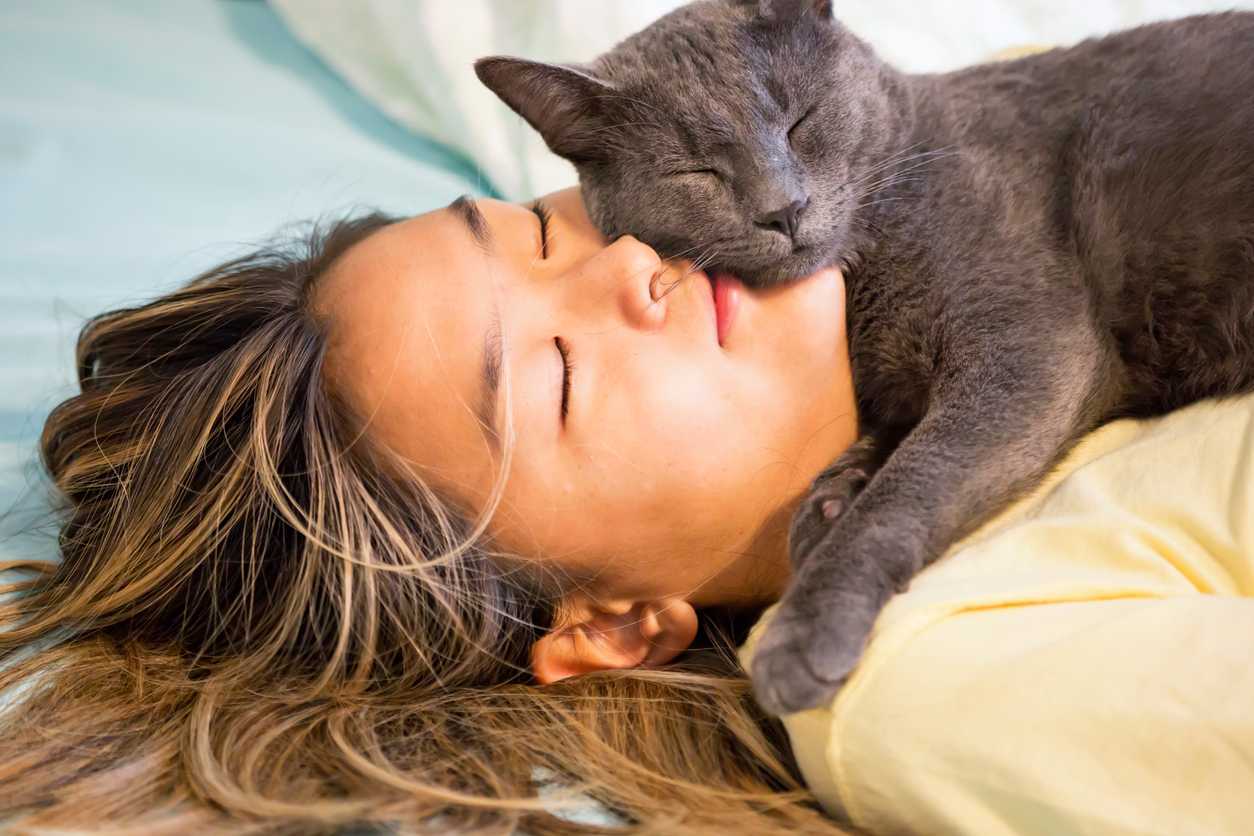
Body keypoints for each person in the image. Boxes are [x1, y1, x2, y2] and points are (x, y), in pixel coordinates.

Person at [0, 186, 858, 834]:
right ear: (612, 629)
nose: (630, 259)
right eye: (560, 375)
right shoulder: (935, 698)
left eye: (542, 231)